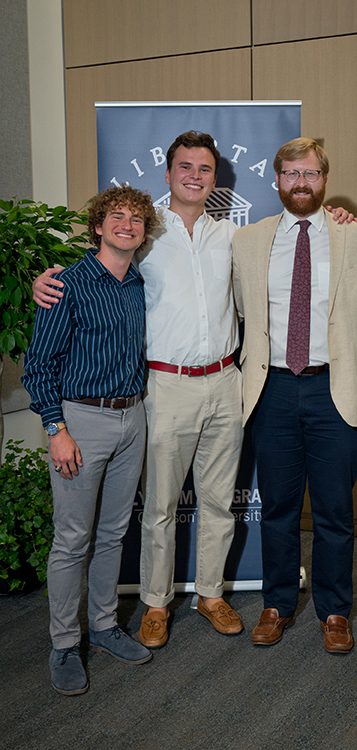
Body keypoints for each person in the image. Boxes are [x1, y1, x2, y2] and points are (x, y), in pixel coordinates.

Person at [34, 131, 354, 650]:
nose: (194, 176)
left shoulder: (235, 237)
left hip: (227, 382)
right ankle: (156, 604)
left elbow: (295, 246)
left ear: (214, 178)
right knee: (159, 506)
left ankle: (210, 594)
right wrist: (44, 282)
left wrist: (337, 216)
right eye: (185, 167)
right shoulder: (144, 236)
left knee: (218, 503)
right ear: (168, 174)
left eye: (204, 169)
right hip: (165, 386)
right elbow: (91, 267)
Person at [232, 137, 357, 653]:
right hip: (271, 388)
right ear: (276, 180)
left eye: (310, 174)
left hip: (334, 388)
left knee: (335, 510)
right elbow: (231, 312)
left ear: (324, 179)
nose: (300, 183)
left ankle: (335, 611)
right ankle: (277, 604)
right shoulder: (246, 241)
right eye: (291, 174)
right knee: (277, 506)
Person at [22, 185, 158, 695]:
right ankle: (63, 643)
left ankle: (102, 627)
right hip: (81, 422)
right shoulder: (67, 284)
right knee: (72, 538)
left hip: (133, 417)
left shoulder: (141, 283)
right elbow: (39, 365)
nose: (127, 224)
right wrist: (56, 429)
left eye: (137, 219)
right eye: (116, 217)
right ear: (98, 226)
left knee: (113, 533)